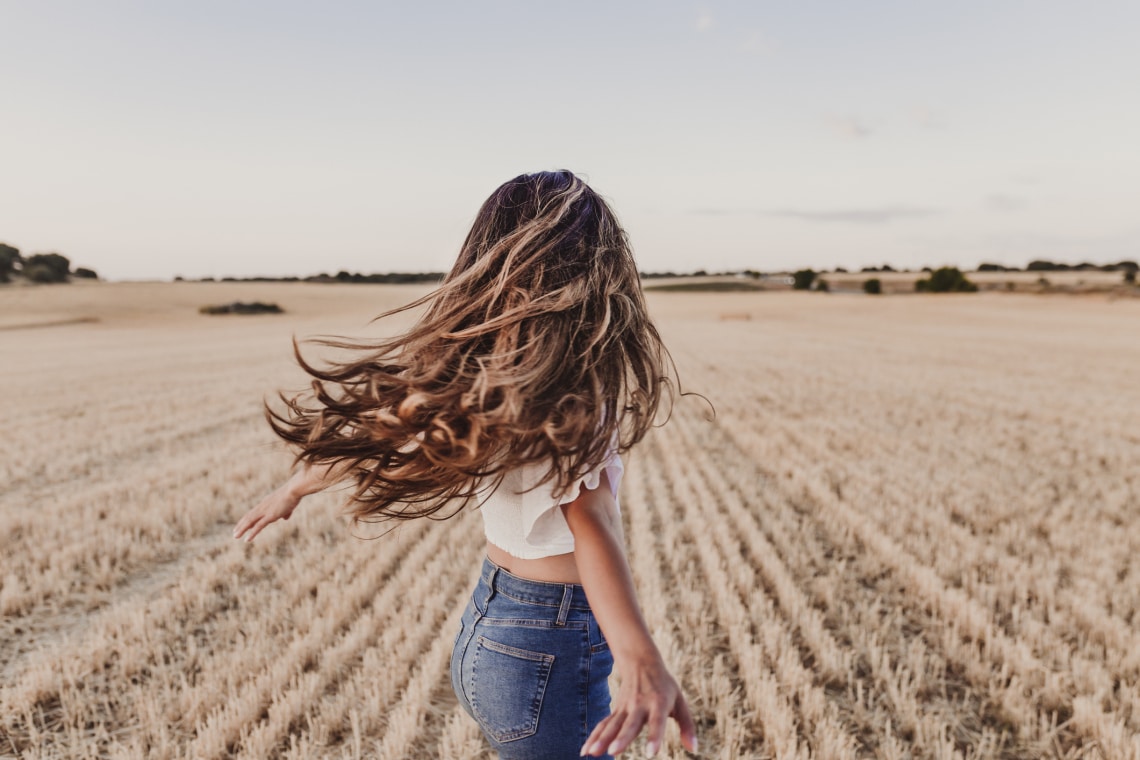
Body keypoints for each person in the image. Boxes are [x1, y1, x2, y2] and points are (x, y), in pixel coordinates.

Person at [233, 170, 700, 759]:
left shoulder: (481, 375)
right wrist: (639, 654)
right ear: (599, 269)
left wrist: (295, 487)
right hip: (548, 645)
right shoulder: (577, 384)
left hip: (491, 627)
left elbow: (391, 426)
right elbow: (590, 516)